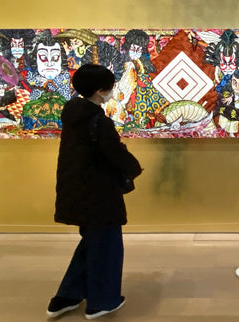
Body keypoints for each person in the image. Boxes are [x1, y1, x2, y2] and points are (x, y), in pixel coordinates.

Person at [47, 64, 142, 320]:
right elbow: (115, 153)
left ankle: (67, 296)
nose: (112, 91)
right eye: (110, 87)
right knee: (106, 248)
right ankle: (102, 302)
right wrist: (134, 168)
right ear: (100, 90)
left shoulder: (73, 114)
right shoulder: (98, 121)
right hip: (99, 193)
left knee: (92, 243)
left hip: (76, 189)